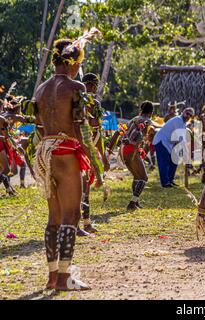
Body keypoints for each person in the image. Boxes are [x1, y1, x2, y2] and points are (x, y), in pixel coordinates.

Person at [33, 37, 103, 290]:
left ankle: (52, 276)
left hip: (46, 152)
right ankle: (64, 278)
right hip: (65, 151)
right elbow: (79, 126)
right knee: (71, 215)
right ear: (73, 63)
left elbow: (39, 126)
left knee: (54, 217)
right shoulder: (76, 87)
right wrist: (93, 158)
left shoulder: (41, 89)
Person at [78, 73, 110, 234]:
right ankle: (80, 224)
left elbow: (97, 133)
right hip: (80, 149)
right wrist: (102, 158)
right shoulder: (83, 101)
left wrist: (102, 158)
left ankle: (86, 223)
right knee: (82, 188)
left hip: (84, 148)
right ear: (94, 86)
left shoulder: (79, 100)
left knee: (85, 188)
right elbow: (94, 129)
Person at [121, 101, 157, 210]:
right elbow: (141, 136)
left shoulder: (134, 119)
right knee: (144, 178)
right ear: (151, 112)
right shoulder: (147, 121)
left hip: (124, 150)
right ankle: (132, 203)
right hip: (132, 149)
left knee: (137, 177)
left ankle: (135, 202)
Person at [153, 107, 194, 187]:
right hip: (161, 141)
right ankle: (165, 183)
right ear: (183, 112)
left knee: (174, 161)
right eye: (187, 113)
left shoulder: (183, 123)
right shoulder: (178, 120)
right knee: (164, 162)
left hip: (169, 143)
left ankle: (170, 180)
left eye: (190, 115)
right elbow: (181, 141)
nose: (187, 115)